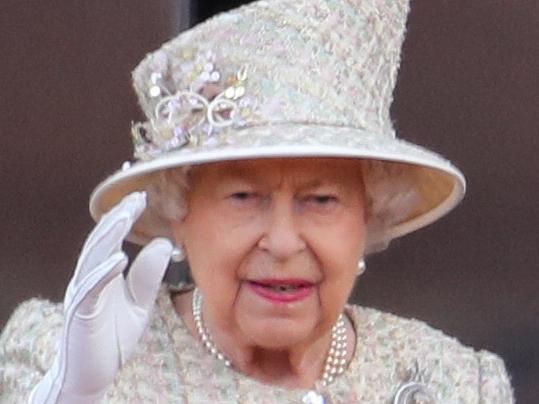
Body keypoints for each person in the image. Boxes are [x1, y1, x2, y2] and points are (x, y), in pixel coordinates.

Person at [0, 0, 514, 402]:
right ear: (180, 213)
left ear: (368, 216)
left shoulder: (459, 384)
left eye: (321, 199)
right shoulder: (58, 353)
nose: (285, 241)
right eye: (244, 196)